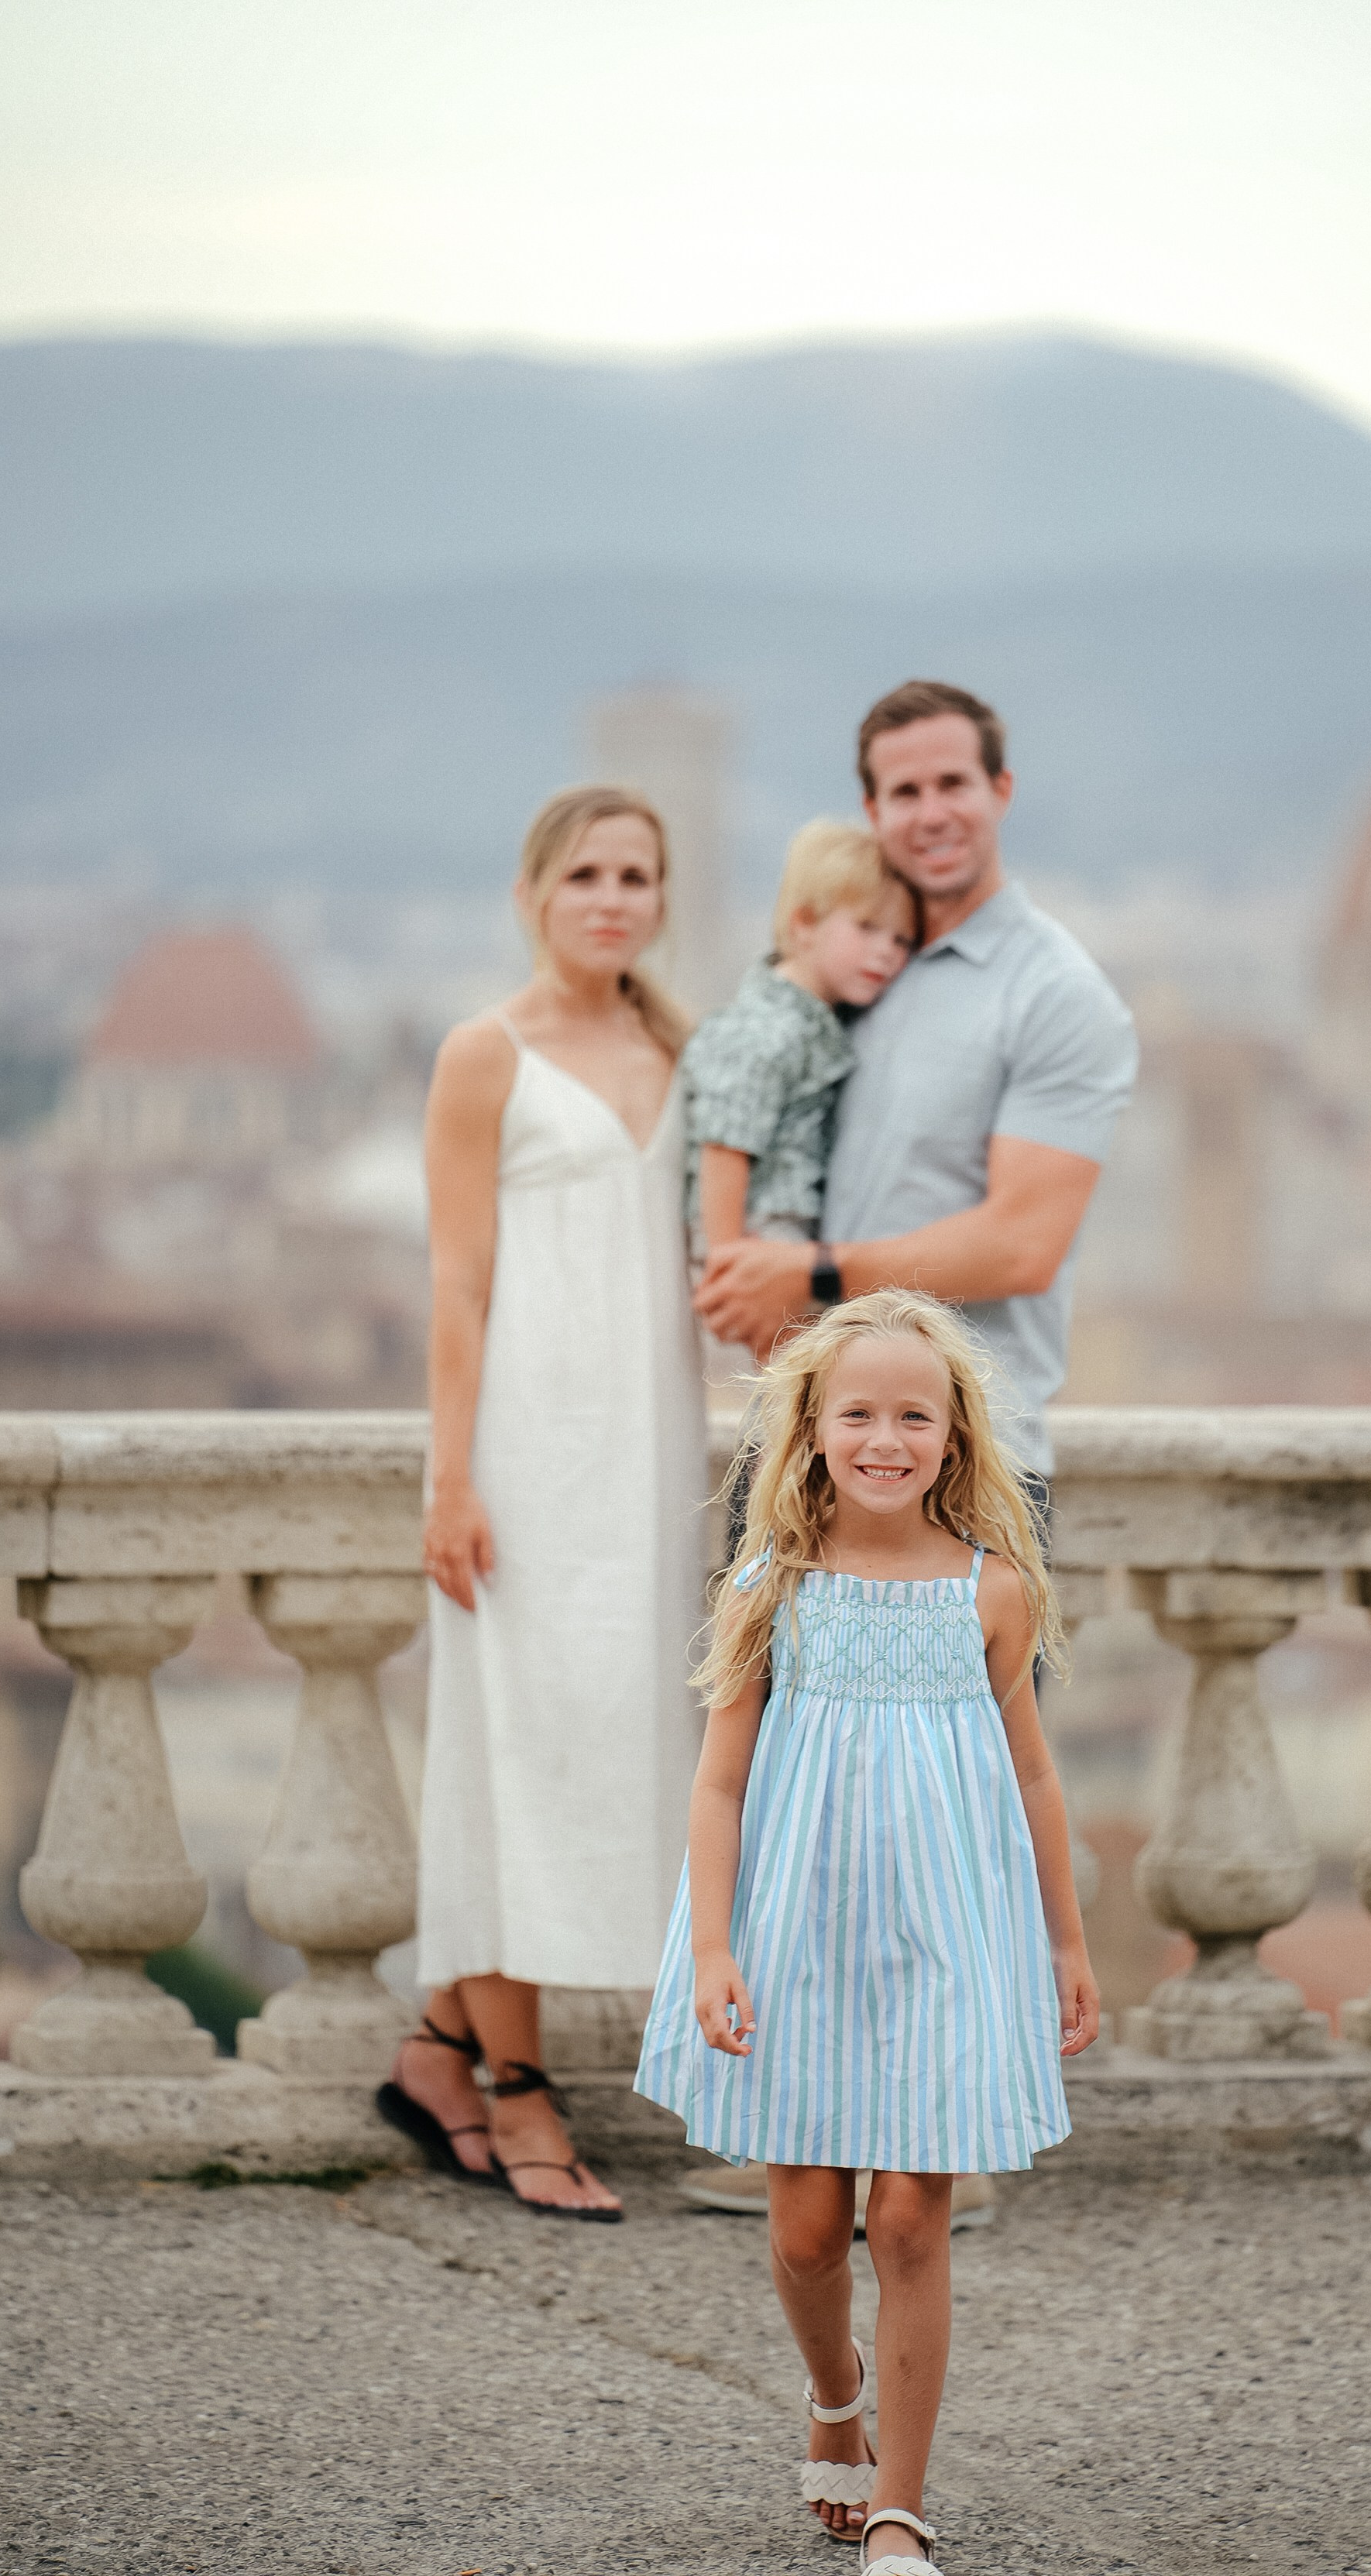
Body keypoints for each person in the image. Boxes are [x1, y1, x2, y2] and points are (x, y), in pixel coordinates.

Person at [634, 1290, 1100, 2568]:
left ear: (955, 1437)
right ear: (811, 1429)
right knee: (802, 2228)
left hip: (949, 1931)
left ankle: (900, 2497)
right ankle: (833, 2387)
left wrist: (1065, 1944)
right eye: (859, 1411)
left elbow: (1035, 1777)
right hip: (798, 1928)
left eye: (915, 1413)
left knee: (907, 2216)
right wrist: (717, 1947)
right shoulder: (771, 1582)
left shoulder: (992, 1590)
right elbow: (721, 1780)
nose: (886, 1436)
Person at [381, 784, 706, 2220]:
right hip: (524, 1450)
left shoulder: (682, 1049)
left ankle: (436, 2053)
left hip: (647, 1459)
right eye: (586, 872)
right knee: (513, 1753)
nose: (612, 896)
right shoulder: (484, 1053)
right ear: (533, 892)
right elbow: (456, 1278)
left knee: (618, 1746)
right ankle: (518, 2091)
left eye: (636, 873)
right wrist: (451, 1476)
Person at [695, 681, 1138, 1502]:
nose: (931, 813)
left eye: (952, 785)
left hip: (962, 1467)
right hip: (799, 1454)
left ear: (999, 791)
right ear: (871, 809)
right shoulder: (856, 973)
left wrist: (809, 1274)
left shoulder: (1055, 995)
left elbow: (1022, 1246)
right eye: (905, 792)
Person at [685, 820, 919, 1348]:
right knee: (799, 1371)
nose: (885, 952)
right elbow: (726, 1142)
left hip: (784, 1227)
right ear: (804, 924)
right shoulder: (765, 1027)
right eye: (867, 929)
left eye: (901, 940)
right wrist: (730, 1262)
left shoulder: (819, 1023)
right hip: (760, 1228)